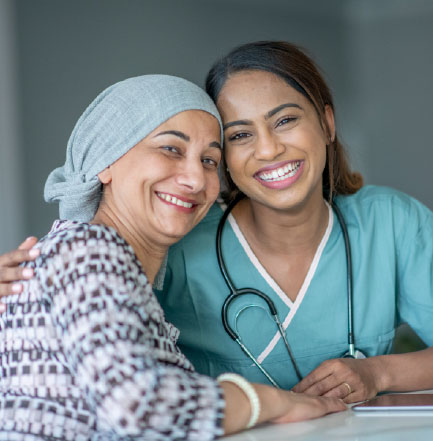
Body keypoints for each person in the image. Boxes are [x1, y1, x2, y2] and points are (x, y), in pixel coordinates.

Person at [2, 41, 433, 405]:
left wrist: (378, 374)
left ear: (327, 124)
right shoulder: (178, 235)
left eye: (285, 120)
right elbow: (70, 332)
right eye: (240, 135)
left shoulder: (392, 222)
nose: (268, 150)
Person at [0, 74, 344, 440]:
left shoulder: (79, 254)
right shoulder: (90, 252)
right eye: (171, 149)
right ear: (105, 160)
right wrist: (274, 403)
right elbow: (139, 407)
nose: (196, 179)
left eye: (210, 160)